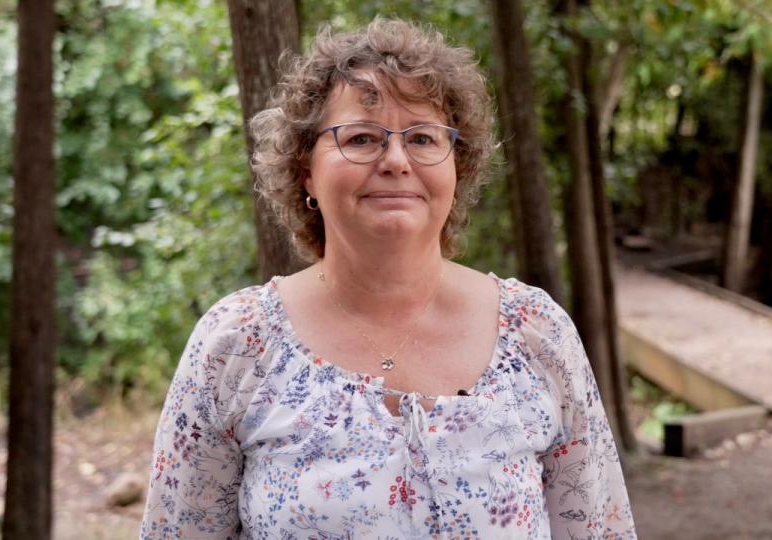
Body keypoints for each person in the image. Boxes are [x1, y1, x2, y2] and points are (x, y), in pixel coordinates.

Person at [140, 18, 636, 540]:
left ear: (457, 168)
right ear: (305, 168)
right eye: (362, 138)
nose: (396, 160)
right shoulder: (237, 345)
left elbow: (601, 531)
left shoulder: (537, 334)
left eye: (422, 137)